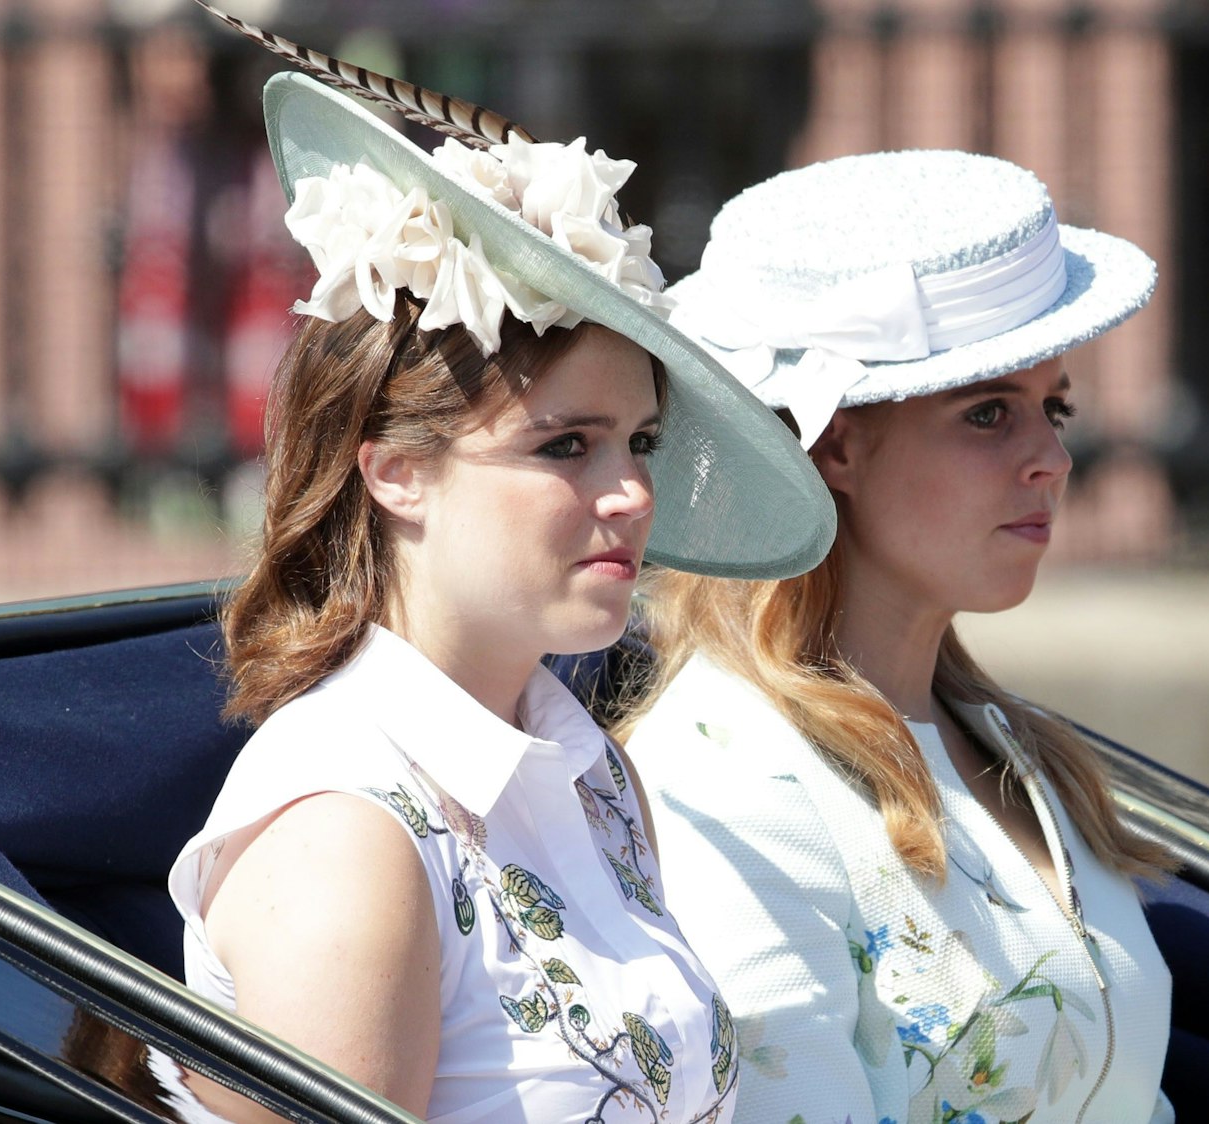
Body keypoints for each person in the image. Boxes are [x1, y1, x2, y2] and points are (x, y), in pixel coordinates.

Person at [166, 13, 836, 1123]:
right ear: (395, 473)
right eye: (564, 445)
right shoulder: (345, 830)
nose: (629, 492)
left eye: (639, 442)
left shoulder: (592, 773)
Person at [622, 151, 1178, 1123]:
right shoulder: (725, 780)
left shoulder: (1022, 749)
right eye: (988, 412)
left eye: (1055, 406)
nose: (1050, 456)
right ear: (838, 443)